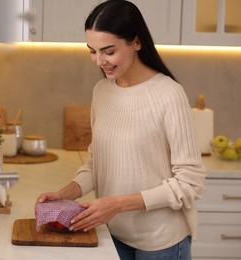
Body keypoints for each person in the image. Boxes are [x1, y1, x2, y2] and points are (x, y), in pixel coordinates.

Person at [35, 1, 207, 259]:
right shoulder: (102, 91)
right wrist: (63, 194)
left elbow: (190, 182)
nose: (99, 61)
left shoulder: (169, 94)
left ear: (136, 42)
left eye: (108, 51)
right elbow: (97, 164)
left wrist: (116, 204)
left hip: (161, 242)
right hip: (112, 235)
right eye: (92, 51)